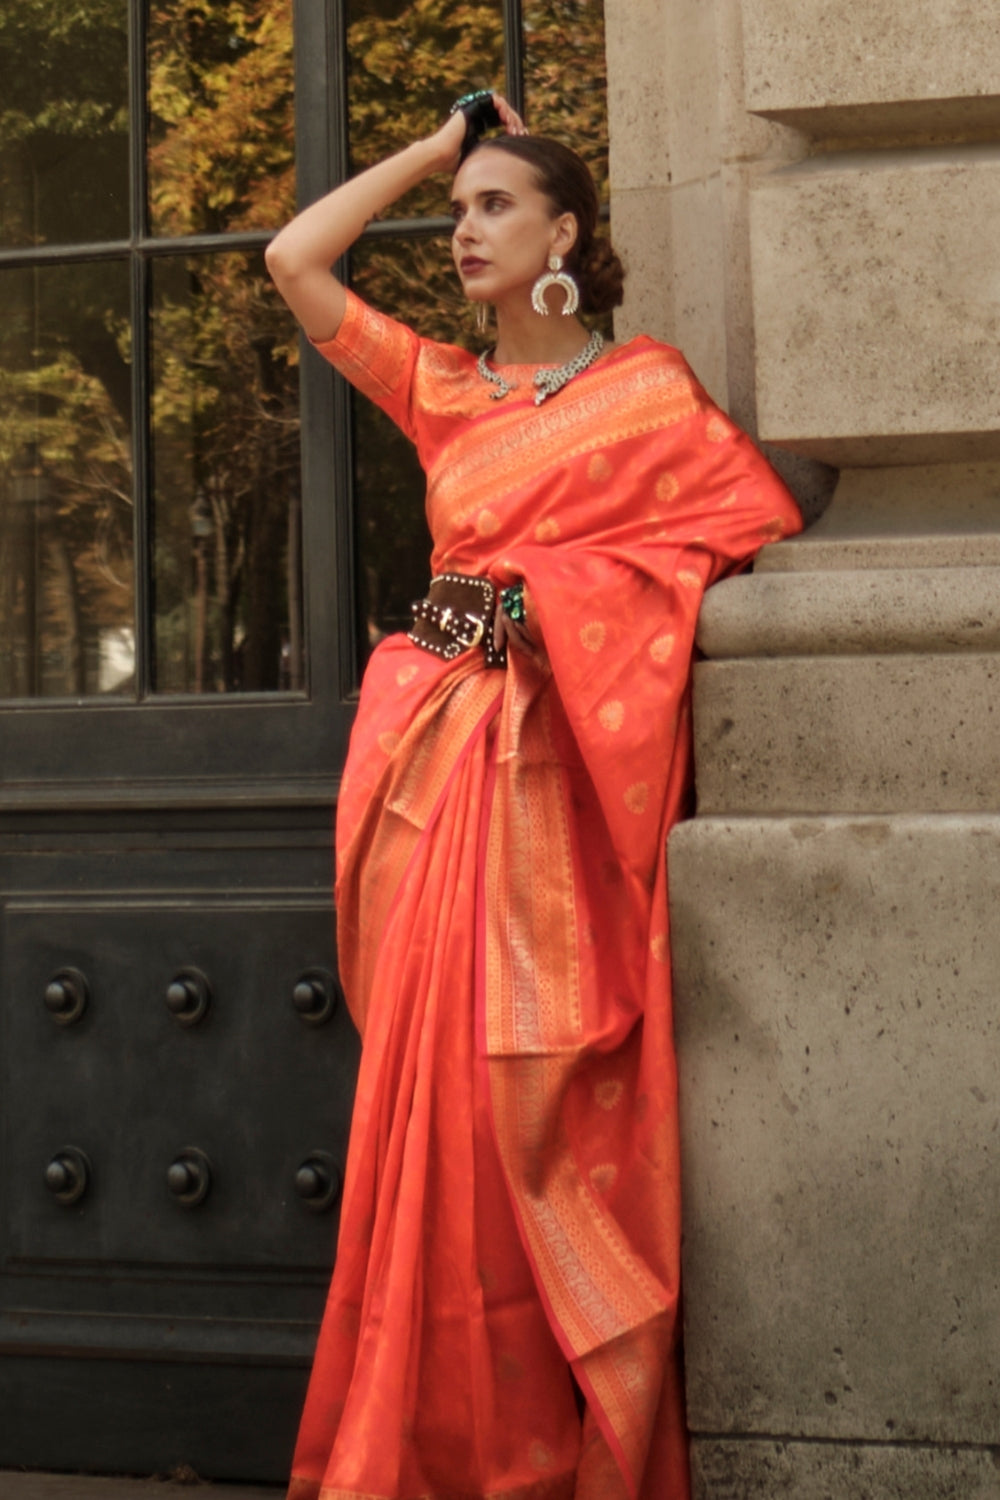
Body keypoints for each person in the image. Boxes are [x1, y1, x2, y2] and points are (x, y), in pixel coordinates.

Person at [266, 91, 802, 1500]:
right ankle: (427, 1428)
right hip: (435, 778)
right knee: (431, 1098)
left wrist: (560, 595)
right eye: (458, 214)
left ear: (568, 231)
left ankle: (548, 1427)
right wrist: (433, 152)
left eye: (497, 206)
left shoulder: (649, 395)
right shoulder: (442, 391)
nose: (463, 232)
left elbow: (739, 535)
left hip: (556, 786)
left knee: (536, 1093)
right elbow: (293, 261)